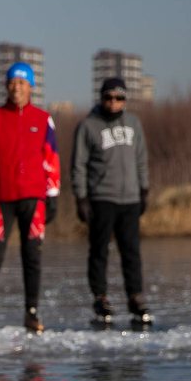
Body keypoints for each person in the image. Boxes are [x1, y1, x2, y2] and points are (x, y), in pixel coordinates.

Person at [0, 63, 60, 332]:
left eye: (22, 83)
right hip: (1, 199)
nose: (17, 87)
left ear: (31, 86)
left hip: (34, 198)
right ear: (6, 86)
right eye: (12, 82)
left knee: (32, 256)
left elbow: (51, 157)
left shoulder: (43, 119)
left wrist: (53, 193)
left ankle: (31, 313)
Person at [71, 77, 152, 325]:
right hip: (101, 198)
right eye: (109, 97)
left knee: (131, 251)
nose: (114, 102)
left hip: (129, 198)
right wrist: (81, 197)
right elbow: (78, 165)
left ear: (125, 100)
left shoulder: (134, 123)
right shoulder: (88, 126)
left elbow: (141, 159)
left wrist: (144, 189)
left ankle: (135, 297)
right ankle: (100, 297)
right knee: (99, 251)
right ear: (101, 98)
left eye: (119, 98)